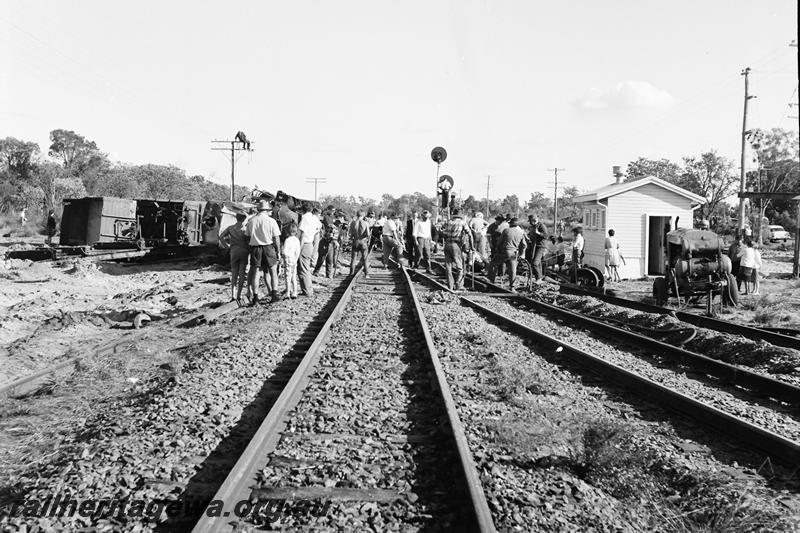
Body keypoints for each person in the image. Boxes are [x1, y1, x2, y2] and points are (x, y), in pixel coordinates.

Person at [245, 199, 282, 304]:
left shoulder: (251, 221)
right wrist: (278, 251)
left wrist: (251, 247)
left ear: (258, 209)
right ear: (267, 210)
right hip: (268, 247)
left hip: (256, 248)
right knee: (273, 272)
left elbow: (247, 237)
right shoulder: (271, 221)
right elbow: (276, 238)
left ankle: (255, 297)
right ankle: (274, 295)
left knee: (256, 273)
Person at [218, 212, 250, 304]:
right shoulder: (245, 229)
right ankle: (239, 295)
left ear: (236, 218)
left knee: (234, 273)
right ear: (244, 219)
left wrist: (227, 246)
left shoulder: (231, 228)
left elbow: (220, 237)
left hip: (234, 251)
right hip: (244, 251)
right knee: (242, 274)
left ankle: (233, 295)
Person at [491, 218, 527, 290]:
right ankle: (512, 286)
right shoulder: (521, 232)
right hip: (514, 253)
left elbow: (499, 242)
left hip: (504, 251)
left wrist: (497, 249)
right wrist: (522, 254)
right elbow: (524, 245)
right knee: (513, 270)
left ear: (510, 224)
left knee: (493, 264)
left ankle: (490, 281)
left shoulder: (506, 230)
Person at [441, 208, 472, 290]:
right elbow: (470, 234)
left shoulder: (448, 222)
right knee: (460, 266)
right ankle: (459, 284)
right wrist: (472, 247)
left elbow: (440, 230)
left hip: (447, 244)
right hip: (456, 245)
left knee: (448, 266)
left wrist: (445, 235)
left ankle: (450, 286)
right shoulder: (462, 223)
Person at [297, 203, 322, 296]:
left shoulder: (305, 218)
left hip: (304, 244)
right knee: (305, 268)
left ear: (303, 210)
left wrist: (298, 249)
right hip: (310, 244)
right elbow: (318, 229)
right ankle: (308, 289)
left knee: (303, 269)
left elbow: (303, 235)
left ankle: (307, 291)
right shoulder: (314, 218)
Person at [349, 210, 371, 277]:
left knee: (353, 258)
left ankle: (351, 273)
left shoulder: (353, 223)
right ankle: (366, 274)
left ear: (357, 215)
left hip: (355, 241)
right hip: (363, 242)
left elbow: (350, 234)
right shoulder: (365, 223)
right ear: (363, 215)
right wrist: (367, 240)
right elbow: (368, 234)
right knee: (365, 258)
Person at [282, 223, 301, 299]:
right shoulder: (297, 240)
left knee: (287, 276)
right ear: (296, 231)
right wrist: (296, 259)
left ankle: (287, 292)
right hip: (294, 259)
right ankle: (295, 292)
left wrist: (283, 259)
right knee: (294, 277)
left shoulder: (287, 240)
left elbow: (285, 251)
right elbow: (298, 251)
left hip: (288, 259)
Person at [527, 215, 548, 283]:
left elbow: (546, 236)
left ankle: (539, 278)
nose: (529, 223)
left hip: (540, 246)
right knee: (537, 263)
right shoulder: (533, 226)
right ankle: (539, 278)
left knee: (535, 263)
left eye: (530, 221)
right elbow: (530, 234)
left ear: (534, 220)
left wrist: (538, 233)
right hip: (534, 246)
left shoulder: (542, 226)